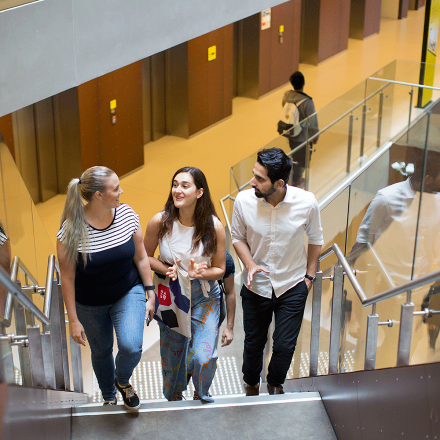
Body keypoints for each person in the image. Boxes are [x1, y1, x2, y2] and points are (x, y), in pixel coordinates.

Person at [56, 166, 155, 410]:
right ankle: (109, 395)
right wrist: (73, 320)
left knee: (131, 346)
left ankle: (122, 382)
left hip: (127, 290)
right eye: (115, 188)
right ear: (99, 195)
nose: (121, 191)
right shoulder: (70, 231)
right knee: (101, 352)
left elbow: (141, 257)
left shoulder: (127, 214)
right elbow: (67, 278)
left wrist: (150, 291)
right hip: (89, 302)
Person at [231, 147, 323, 395]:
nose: (252, 182)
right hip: (256, 285)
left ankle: (274, 385)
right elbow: (237, 237)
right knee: (253, 344)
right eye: (254, 174)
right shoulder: (243, 201)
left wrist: (310, 276)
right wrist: (249, 264)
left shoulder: (306, 202)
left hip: (293, 284)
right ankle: (251, 385)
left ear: (280, 183)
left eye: (260, 179)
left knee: (284, 346)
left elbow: (316, 238)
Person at [144, 166, 226, 402]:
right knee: (173, 355)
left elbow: (220, 268)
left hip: (204, 295)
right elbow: (144, 257)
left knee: (205, 356)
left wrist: (199, 273)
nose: (177, 190)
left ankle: (201, 392)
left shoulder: (213, 226)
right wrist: (166, 268)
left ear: (200, 192)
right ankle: (174, 395)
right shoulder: (160, 221)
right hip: (171, 295)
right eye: (175, 184)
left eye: (184, 185)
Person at [281, 71, 319, 186]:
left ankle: (294, 179)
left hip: (291, 134)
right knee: (302, 161)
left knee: (294, 156)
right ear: (303, 83)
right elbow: (312, 121)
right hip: (303, 137)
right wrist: (315, 136)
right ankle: (295, 181)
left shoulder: (286, 97)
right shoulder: (307, 102)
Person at [218, 250, 236, 347]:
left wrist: (229, 327)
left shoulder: (225, 258)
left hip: (212, 310)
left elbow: (230, 292)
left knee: (204, 356)